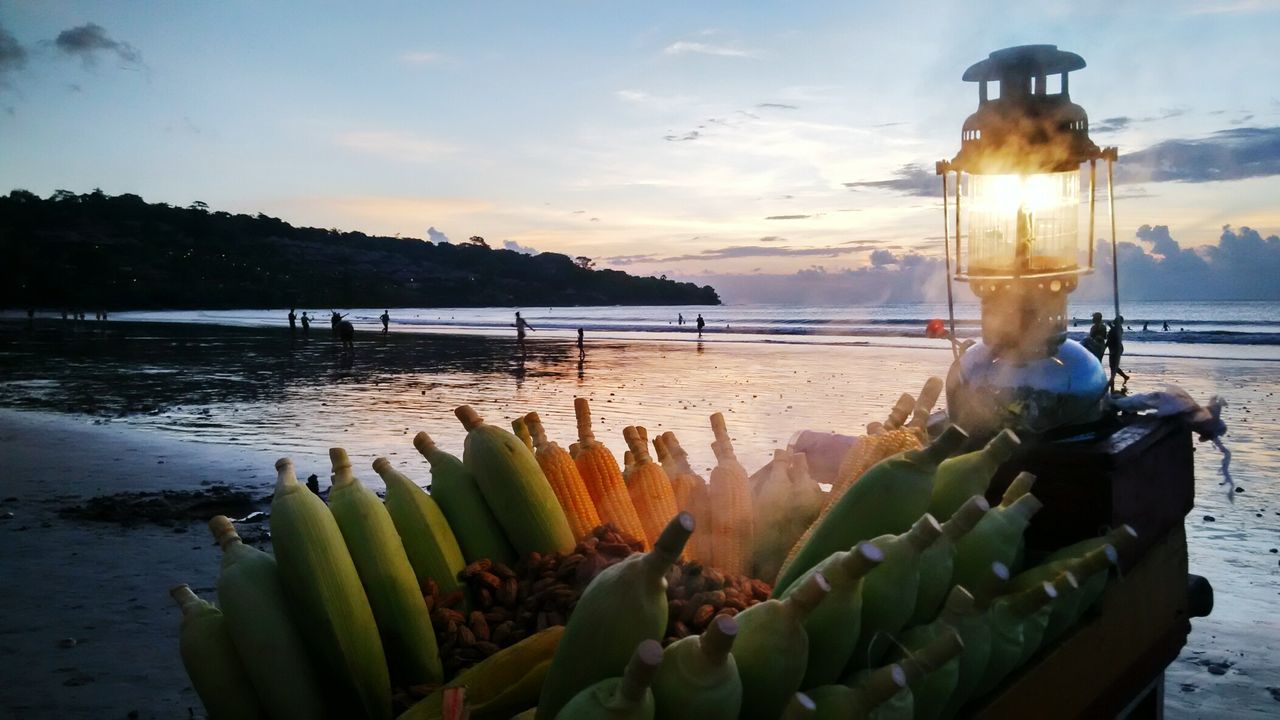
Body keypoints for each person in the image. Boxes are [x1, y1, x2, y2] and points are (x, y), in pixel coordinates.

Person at [1106, 316, 1130, 393]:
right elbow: (1110, 337)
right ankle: (1124, 377)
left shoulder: (1118, 329)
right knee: (1113, 365)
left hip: (1116, 349)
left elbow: (1114, 335)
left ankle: (1112, 380)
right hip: (1114, 348)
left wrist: (1110, 326)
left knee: (1113, 365)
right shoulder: (1116, 328)